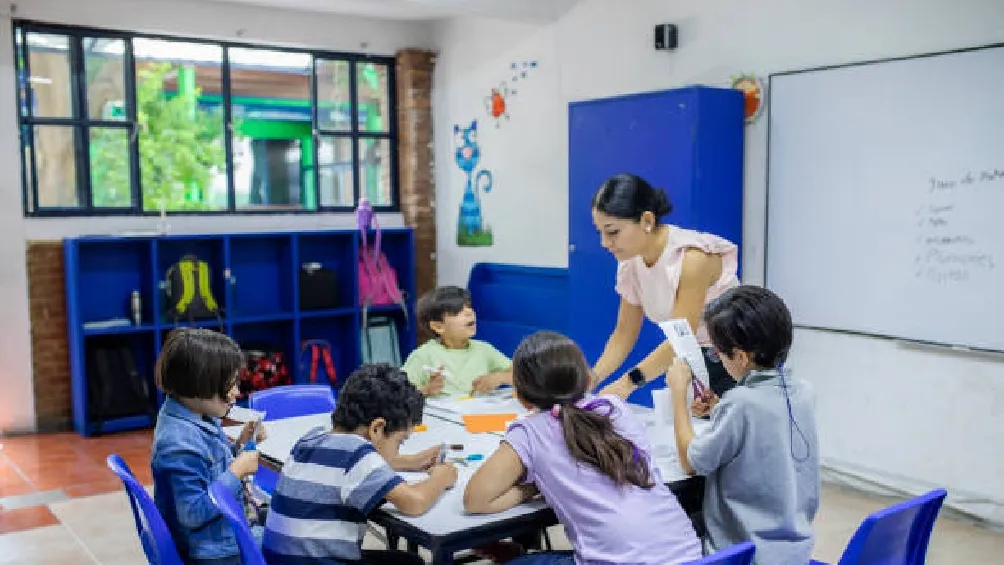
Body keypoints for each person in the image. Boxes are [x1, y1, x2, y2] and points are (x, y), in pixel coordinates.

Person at [464, 331, 703, 565]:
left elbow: (476, 500)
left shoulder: (529, 432)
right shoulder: (614, 408)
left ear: (521, 398)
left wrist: (532, 487)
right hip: (692, 555)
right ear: (588, 380)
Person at [666, 286, 819, 564]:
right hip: (793, 551)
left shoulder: (740, 402)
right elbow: (764, 429)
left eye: (718, 353)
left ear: (741, 357)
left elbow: (691, 462)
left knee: (664, 530)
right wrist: (718, 409)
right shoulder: (803, 392)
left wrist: (678, 394)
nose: (718, 358)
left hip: (743, 554)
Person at [262, 363, 458, 565]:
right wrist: (440, 478)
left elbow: (348, 466)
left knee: (401, 560)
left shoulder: (311, 439)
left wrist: (412, 461)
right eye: (400, 442)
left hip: (279, 560)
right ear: (377, 428)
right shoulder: (358, 455)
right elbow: (414, 502)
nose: (398, 449)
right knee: (411, 563)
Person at [590, 173, 741, 415]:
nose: (604, 243)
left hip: (734, 362)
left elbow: (682, 336)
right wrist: (592, 378)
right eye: (600, 232)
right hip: (693, 362)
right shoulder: (631, 263)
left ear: (646, 220)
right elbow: (623, 334)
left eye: (613, 232)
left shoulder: (691, 259)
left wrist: (627, 383)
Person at [151, 328, 267, 565]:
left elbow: (209, 469)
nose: (236, 393)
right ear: (199, 385)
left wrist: (240, 445)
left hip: (224, 535)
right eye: (229, 385)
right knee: (297, 541)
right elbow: (193, 513)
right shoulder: (179, 443)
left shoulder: (195, 414)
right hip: (216, 552)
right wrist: (237, 472)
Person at [401, 285, 513, 396]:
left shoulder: (484, 349)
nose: (469, 312)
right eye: (457, 312)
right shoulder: (423, 355)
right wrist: (427, 390)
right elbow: (399, 394)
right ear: (438, 327)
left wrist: (500, 377)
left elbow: (520, 375)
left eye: (469, 307)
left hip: (479, 407)